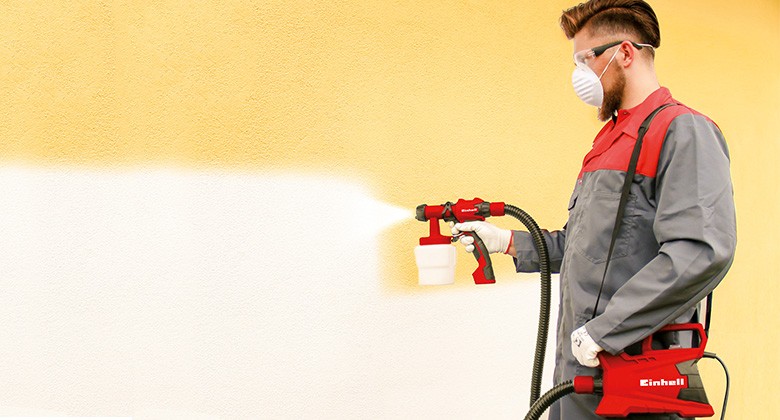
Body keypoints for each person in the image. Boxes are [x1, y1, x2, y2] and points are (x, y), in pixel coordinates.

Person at [449, 1, 737, 418]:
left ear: (624, 53)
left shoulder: (681, 131)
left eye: (586, 58)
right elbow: (586, 248)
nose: (579, 74)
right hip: (580, 374)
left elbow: (700, 251)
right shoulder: (609, 141)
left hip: (632, 376)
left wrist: (605, 331)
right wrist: (506, 241)